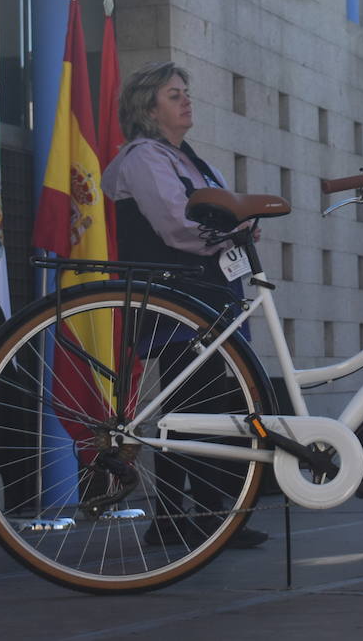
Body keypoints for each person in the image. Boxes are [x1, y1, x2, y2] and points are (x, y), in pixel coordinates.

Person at [101, 61, 268, 549]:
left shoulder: (193, 160)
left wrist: (238, 228)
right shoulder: (143, 159)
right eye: (174, 95)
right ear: (148, 109)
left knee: (208, 404)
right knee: (188, 406)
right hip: (177, 296)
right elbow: (176, 225)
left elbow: (218, 215)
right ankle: (184, 518)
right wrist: (232, 232)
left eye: (185, 93)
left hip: (209, 293)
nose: (187, 100)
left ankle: (200, 517)